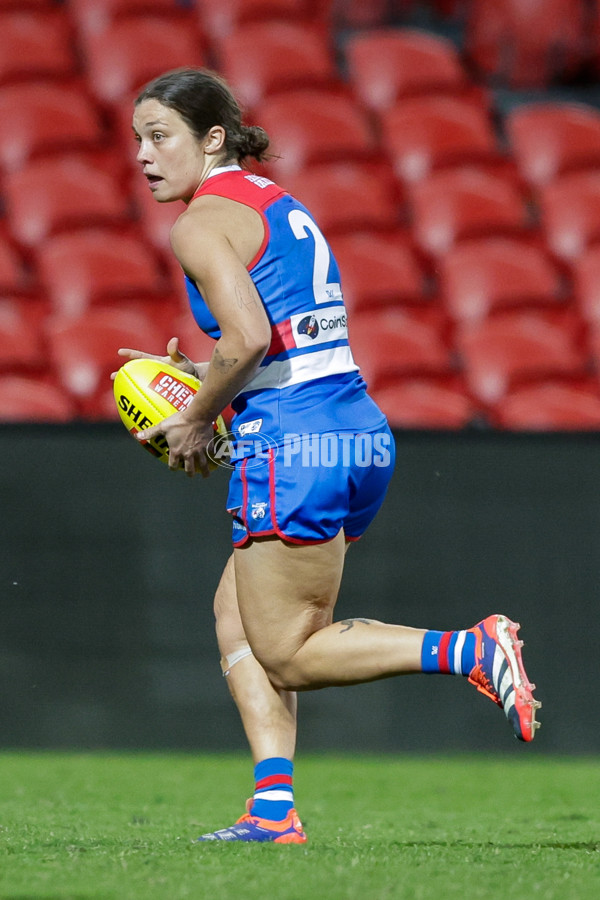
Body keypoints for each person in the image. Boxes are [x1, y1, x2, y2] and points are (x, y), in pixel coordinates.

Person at [120, 67, 541, 844]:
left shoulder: (199, 221)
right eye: (138, 139)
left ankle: (470, 649)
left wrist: (194, 417)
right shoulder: (274, 201)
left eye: (160, 136)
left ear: (213, 138)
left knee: (288, 652)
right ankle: (273, 809)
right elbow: (282, 336)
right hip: (350, 425)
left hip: (293, 436)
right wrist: (206, 388)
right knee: (235, 615)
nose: (144, 155)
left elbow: (245, 340)